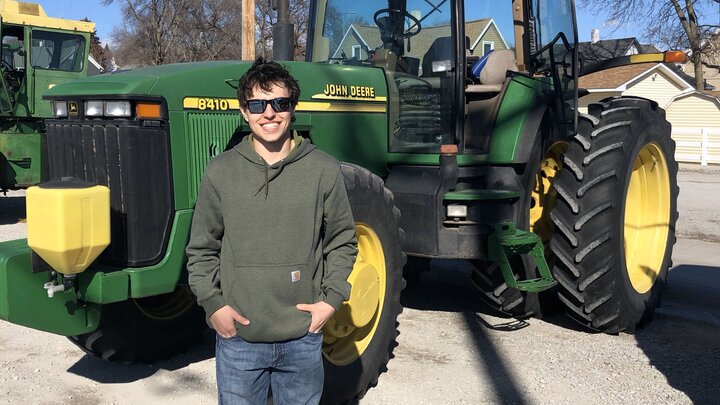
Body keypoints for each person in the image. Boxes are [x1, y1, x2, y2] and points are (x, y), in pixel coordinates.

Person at [186, 58, 358, 404]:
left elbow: (342, 240)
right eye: (257, 105)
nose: (270, 113)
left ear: (292, 109)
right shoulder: (220, 171)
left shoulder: (322, 169)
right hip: (240, 339)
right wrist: (213, 304)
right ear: (244, 112)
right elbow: (201, 248)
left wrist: (330, 300)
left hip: (302, 338)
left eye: (280, 103)